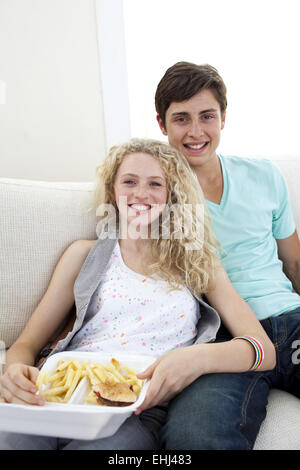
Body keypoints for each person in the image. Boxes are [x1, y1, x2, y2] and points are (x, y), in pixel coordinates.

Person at [0, 138, 275, 450]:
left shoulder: (197, 263)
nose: (141, 193)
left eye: (155, 184)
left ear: (172, 195)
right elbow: (25, 344)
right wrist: (13, 372)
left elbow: (263, 350)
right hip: (55, 397)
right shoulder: (83, 255)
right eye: (129, 181)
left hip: (133, 412)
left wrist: (194, 359)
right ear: (113, 190)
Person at [155, 61, 300, 450]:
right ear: (162, 125)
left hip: (291, 318)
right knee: (194, 438)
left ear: (223, 119)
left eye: (207, 116)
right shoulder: (152, 195)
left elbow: (294, 263)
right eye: (181, 119)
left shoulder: (265, 175)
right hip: (222, 337)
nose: (196, 131)